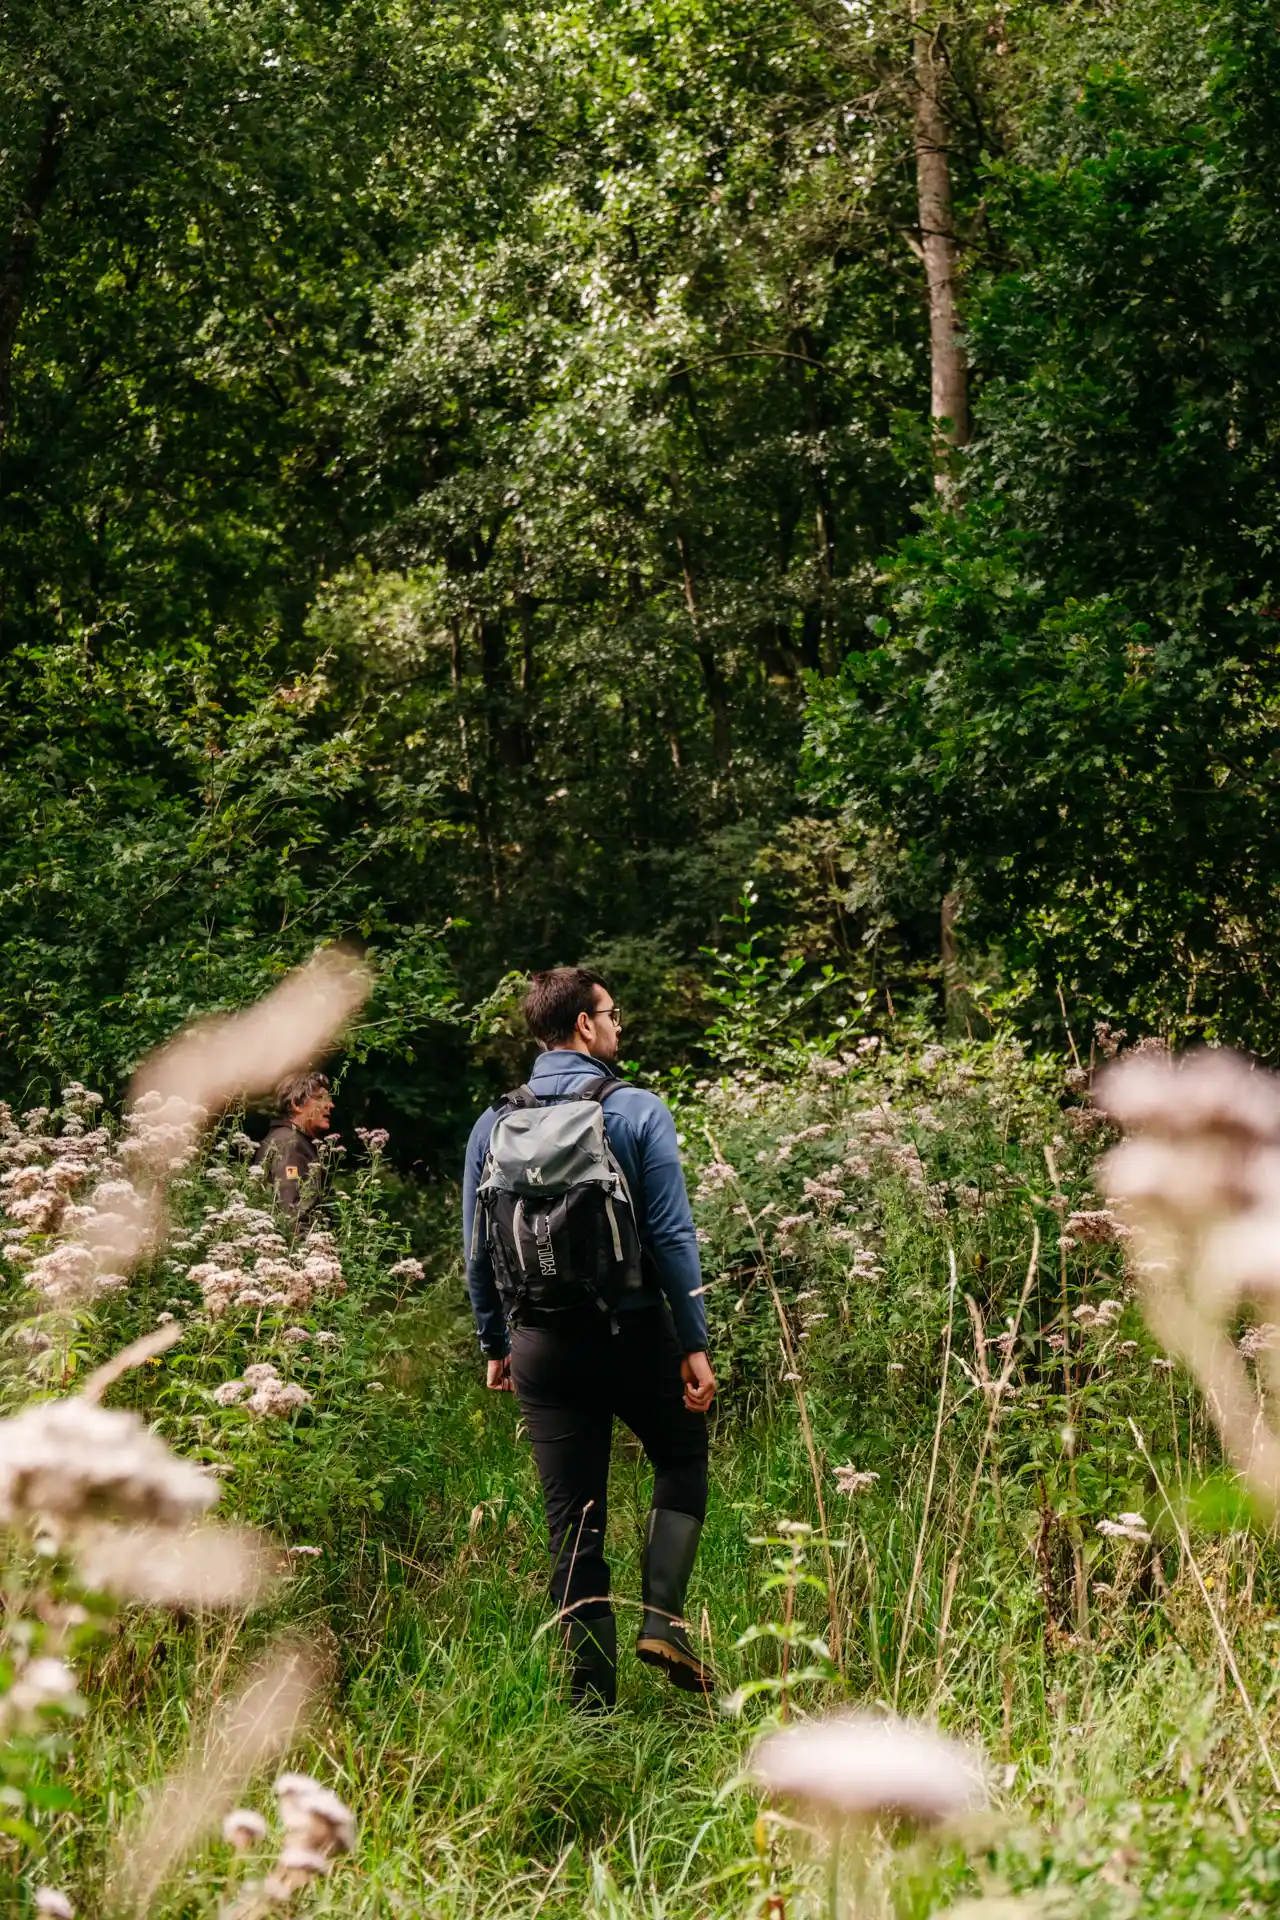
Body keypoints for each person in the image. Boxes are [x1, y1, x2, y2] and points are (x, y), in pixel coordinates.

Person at [463, 967, 717, 1712]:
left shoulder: (492, 1123)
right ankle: (663, 1620)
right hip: (637, 1331)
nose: (618, 1027)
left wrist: (494, 1341)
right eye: (611, 1015)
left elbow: (477, 1251)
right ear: (583, 1025)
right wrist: (692, 1341)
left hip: (541, 1343)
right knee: (681, 1456)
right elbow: (670, 1235)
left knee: (572, 1521)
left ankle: (590, 1707)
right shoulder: (636, 1109)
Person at [252, 1071, 334, 1222]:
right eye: (320, 1098)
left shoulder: (289, 1140)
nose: (330, 1105)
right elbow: (291, 1211)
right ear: (296, 1104)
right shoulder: (290, 1144)